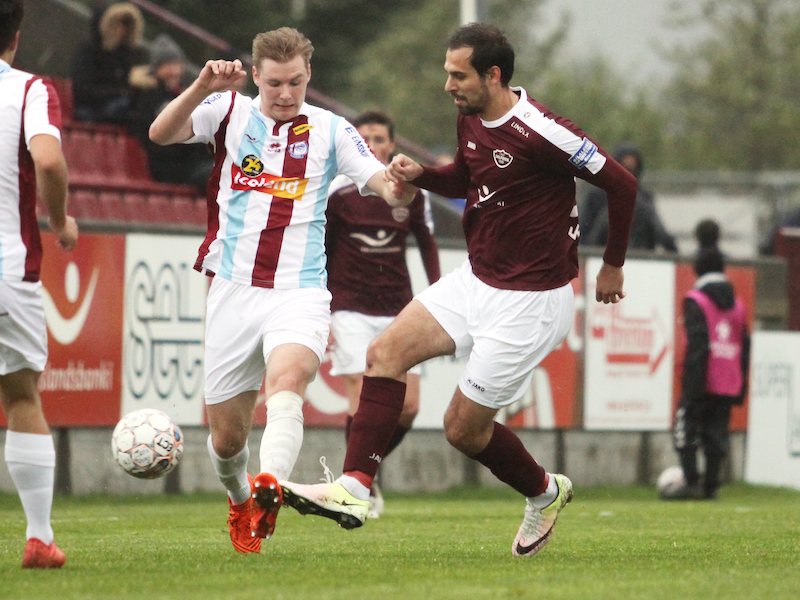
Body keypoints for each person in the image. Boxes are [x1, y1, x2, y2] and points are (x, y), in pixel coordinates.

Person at [279, 23, 637, 558]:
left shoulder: (544, 132)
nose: (448, 84)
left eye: (458, 75)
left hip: (532, 303)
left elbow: (622, 184)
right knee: (384, 354)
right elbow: (468, 181)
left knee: (463, 430)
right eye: (447, 73)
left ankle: (545, 492)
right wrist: (421, 175)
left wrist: (612, 266)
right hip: (477, 279)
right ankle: (354, 489)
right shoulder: (469, 116)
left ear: (492, 75)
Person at [148, 27, 416, 554]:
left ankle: (271, 485)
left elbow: (382, 183)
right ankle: (240, 497)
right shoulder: (227, 110)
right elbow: (160, 133)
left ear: (308, 75)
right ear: (255, 76)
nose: (286, 94)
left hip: (300, 290)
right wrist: (201, 86)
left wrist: (398, 184)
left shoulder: (332, 130)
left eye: (295, 82)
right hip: (232, 290)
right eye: (274, 84)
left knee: (288, 381)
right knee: (227, 439)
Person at [325, 110, 441, 518]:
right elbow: (320, 250)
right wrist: (320, 306)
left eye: (379, 139)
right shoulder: (336, 191)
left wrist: (439, 296)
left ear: (392, 145)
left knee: (408, 407)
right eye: (365, 139)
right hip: (349, 308)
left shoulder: (412, 194)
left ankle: (361, 471)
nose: (372, 145)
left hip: (399, 308)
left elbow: (428, 245)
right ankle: (359, 485)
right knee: (363, 396)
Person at [0, 0, 79, 569]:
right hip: (7, 268)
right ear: (17, 34)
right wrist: (59, 220)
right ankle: (39, 537)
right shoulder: (29, 89)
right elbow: (48, 162)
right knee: (21, 396)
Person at [668, 219, 750, 500]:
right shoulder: (738, 305)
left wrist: (690, 387)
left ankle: (691, 481)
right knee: (716, 434)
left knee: (685, 428)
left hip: (701, 377)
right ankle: (712, 486)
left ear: (697, 269)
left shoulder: (696, 300)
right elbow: (744, 346)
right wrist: (741, 386)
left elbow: (698, 345)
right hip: (728, 379)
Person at [129, 34, 213, 193]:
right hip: (172, 167)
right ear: (156, 69)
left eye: (176, 65)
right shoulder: (148, 97)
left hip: (197, 162)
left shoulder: (186, 94)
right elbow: (152, 137)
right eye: (167, 65)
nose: (173, 71)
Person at [580, 143, 677, 252]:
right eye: (624, 167)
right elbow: (586, 232)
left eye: (632, 168)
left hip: (641, 256)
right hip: (602, 255)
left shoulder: (644, 198)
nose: (627, 173)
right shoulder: (596, 196)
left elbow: (658, 231)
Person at [71, 2, 154, 124]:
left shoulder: (130, 54)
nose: (121, 30)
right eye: (116, 24)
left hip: (117, 108)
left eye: (125, 25)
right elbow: (83, 90)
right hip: (92, 109)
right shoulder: (88, 51)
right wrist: (125, 83)